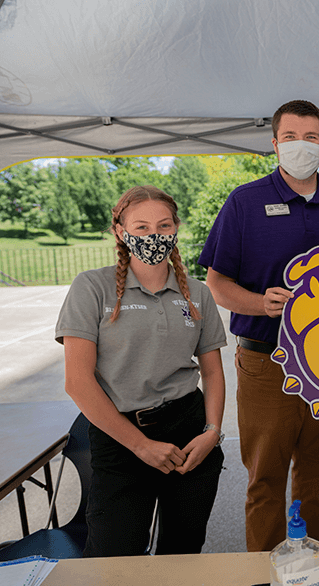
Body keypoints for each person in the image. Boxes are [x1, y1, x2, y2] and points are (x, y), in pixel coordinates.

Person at [198, 100, 319, 552]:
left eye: (310, 137)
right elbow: (216, 283)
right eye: (290, 137)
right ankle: (265, 572)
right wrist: (260, 302)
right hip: (264, 361)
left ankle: (311, 567)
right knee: (265, 479)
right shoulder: (245, 202)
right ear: (274, 144)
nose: (301, 145)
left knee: (314, 476)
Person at [56, 185, 226, 557]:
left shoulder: (197, 293)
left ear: (177, 227)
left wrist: (212, 432)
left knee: (181, 553)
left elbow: (212, 372)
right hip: (120, 438)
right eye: (142, 226)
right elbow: (78, 382)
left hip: (188, 434)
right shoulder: (93, 287)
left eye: (164, 225)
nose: (154, 236)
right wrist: (141, 446)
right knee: (116, 557)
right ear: (120, 231)